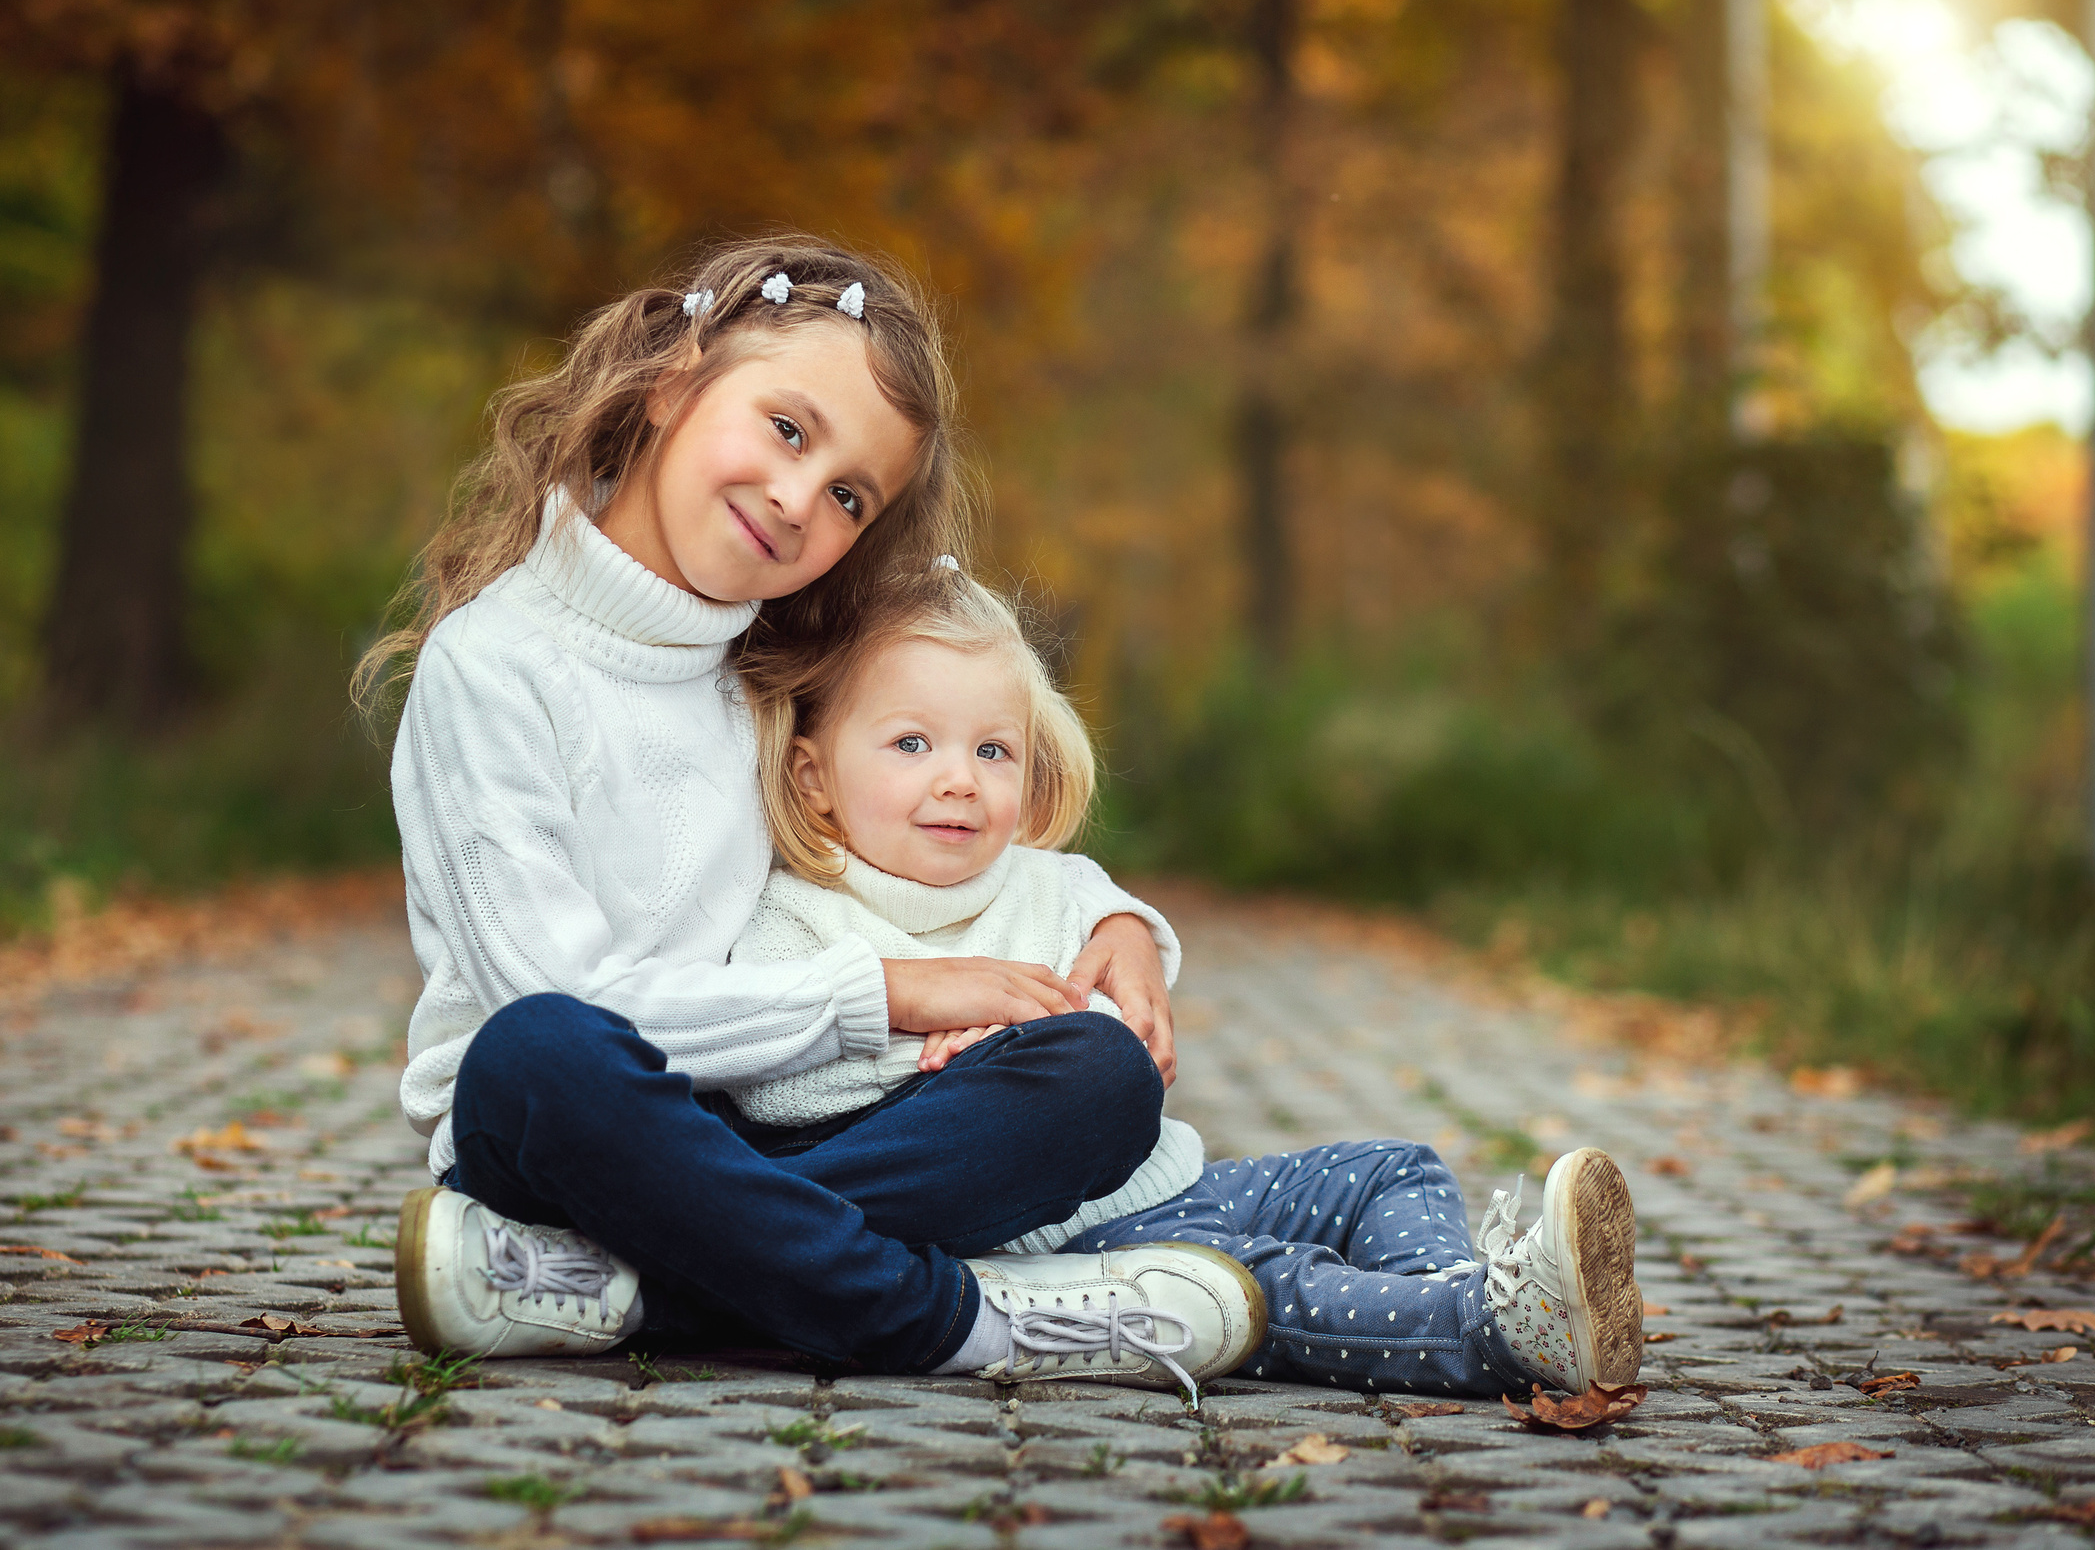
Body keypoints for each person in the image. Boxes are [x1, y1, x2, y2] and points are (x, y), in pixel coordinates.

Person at [367, 233, 1264, 1394]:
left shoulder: (779, 673)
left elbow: (949, 832)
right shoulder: (494, 669)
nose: (798, 501)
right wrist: (882, 996)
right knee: (541, 1049)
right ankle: (955, 1321)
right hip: (566, 1140)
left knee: (1098, 1080)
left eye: (848, 495)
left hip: (774, 1140)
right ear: (672, 381)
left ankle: (622, 1289)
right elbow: (563, 998)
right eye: (787, 429)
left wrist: (1119, 927)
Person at [723, 560, 1646, 1398]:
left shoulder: (1041, 877)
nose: (960, 780)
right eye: (913, 744)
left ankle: (1450, 1292)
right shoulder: (799, 916)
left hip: (1170, 1173)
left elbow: (1124, 943)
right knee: (1269, 1279)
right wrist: (942, 1058)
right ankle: (1489, 1335)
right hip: (1076, 1238)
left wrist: (1127, 931)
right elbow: (780, 1086)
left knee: (1394, 1168)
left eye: (992, 750)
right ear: (813, 775)